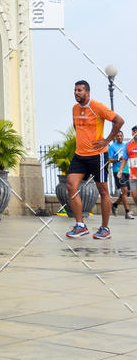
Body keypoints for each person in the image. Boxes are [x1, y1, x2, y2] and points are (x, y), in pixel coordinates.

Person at [65, 79, 123, 240]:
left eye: (80, 90)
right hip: (80, 155)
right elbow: (77, 127)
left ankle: (105, 229)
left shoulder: (97, 106)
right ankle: (80, 226)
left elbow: (119, 121)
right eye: (75, 90)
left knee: (103, 191)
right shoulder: (75, 108)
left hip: (97, 155)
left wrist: (107, 140)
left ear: (87, 92)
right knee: (70, 185)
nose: (76, 93)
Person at [109, 132, 133, 219]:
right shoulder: (112, 146)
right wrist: (117, 159)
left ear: (123, 136)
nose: (119, 137)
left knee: (128, 192)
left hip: (127, 170)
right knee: (124, 190)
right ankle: (127, 213)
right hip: (118, 171)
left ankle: (115, 204)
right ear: (115, 137)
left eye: (121, 135)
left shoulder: (126, 146)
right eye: (118, 135)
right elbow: (110, 159)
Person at [118, 126, 137, 212]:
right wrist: (120, 170)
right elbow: (125, 159)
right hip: (133, 175)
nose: (135, 133)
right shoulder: (128, 145)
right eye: (134, 131)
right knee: (134, 195)